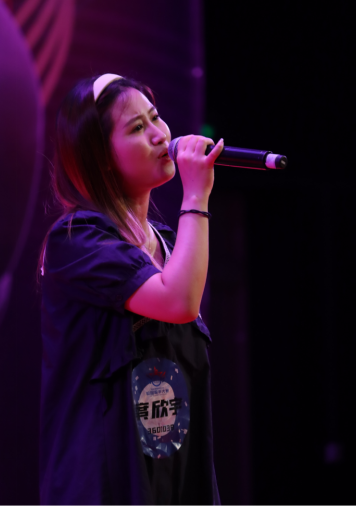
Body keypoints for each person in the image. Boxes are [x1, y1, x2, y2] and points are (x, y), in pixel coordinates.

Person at [39, 73, 224, 506]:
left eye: (156, 117)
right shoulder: (77, 240)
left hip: (173, 479)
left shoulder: (171, 245)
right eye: (138, 128)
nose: (161, 135)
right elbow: (179, 301)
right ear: (102, 157)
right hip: (105, 485)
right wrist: (195, 196)